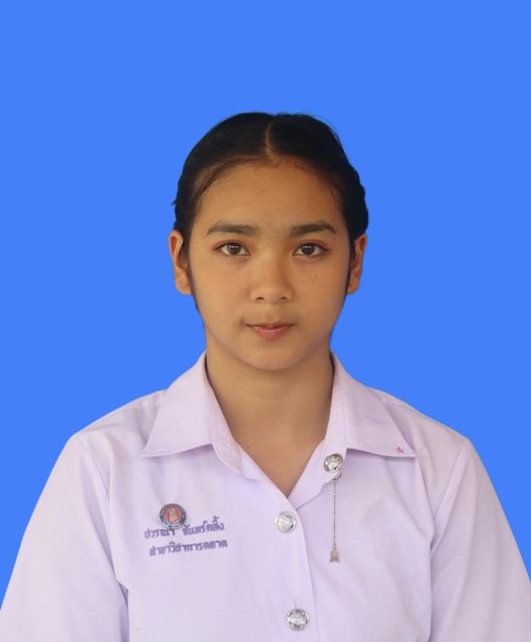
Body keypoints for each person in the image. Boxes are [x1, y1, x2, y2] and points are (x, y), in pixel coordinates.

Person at [1, 112, 530, 641]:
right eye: (234, 248)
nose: (271, 287)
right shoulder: (103, 469)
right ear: (182, 262)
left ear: (354, 262)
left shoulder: (438, 470)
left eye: (309, 249)